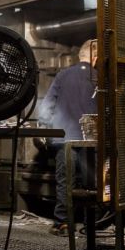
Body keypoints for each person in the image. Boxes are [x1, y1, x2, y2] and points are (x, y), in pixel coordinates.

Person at [38, 40, 97, 236]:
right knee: (92, 182)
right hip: (90, 139)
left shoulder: (63, 75)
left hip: (65, 138)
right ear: (94, 57)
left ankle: (62, 223)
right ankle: (93, 224)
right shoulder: (98, 77)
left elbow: (47, 106)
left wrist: (43, 125)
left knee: (65, 181)